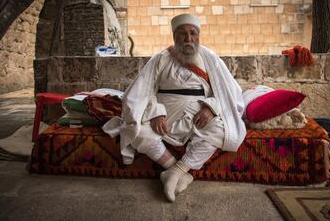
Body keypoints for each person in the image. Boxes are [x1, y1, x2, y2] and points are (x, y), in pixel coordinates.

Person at [103, 13, 246, 202]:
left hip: (198, 118)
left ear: (198, 35)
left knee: (222, 130)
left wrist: (211, 108)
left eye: (193, 33)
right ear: (174, 37)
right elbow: (142, 91)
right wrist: (155, 114)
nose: (188, 39)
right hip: (165, 118)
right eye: (182, 34)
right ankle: (178, 172)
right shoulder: (160, 58)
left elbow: (229, 92)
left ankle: (174, 172)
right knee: (135, 130)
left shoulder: (210, 59)